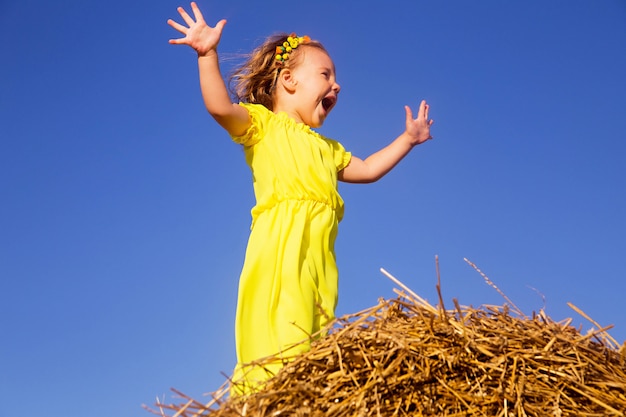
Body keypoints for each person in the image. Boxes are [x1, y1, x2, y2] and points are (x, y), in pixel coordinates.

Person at [167, 2, 434, 393]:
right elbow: (220, 108)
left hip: (319, 254)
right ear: (289, 80)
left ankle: (302, 394)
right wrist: (208, 54)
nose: (336, 85)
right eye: (325, 74)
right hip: (280, 244)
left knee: (314, 328)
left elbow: (370, 169)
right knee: (279, 328)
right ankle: (265, 397)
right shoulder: (262, 126)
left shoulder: (328, 149)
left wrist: (407, 139)